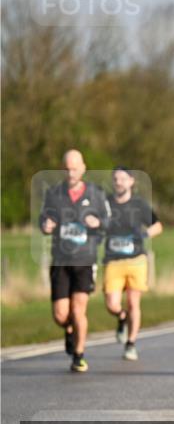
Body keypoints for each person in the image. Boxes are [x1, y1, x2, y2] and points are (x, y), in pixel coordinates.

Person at [39, 149, 111, 373]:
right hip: (60, 260)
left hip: (85, 260)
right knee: (61, 315)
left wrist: (98, 223)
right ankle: (69, 329)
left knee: (79, 310)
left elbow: (109, 221)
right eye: (67, 169)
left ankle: (79, 355)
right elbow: (44, 217)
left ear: (83, 168)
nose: (71, 173)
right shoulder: (54, 194)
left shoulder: (96, 194)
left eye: (75, 168)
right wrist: (46, 225)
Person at [102, 166, 163, 361]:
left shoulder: (139, 204)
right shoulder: (106, 204)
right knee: (112, 304)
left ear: (131, 182)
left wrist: (144, 235)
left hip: (136, 260)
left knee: (133, 302)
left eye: (122, 179)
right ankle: (121, 317)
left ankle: (131, 344)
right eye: (115, 179)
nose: (118, 182)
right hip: (113, 260)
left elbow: (158, 226)